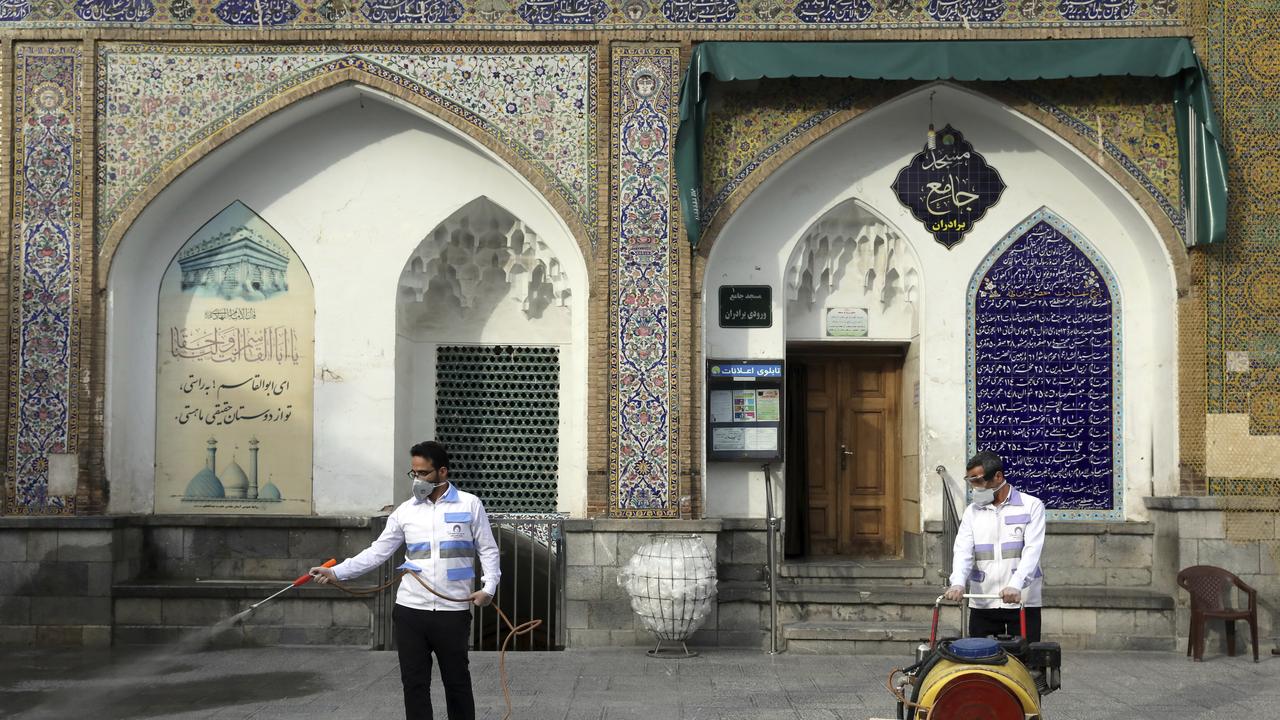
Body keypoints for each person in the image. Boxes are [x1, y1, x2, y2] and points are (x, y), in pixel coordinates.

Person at [310, 440, 500, 720]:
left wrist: (489, 588)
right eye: (414, 473)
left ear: (442, 473)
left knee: (457, 683)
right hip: (411, 612)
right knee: (414, 684)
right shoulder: (405, 512)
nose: (417, 480)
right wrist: (337, 571)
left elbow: (488, 549)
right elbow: (378, 551)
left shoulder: (470, 504)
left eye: (423, 473)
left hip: (452, 612)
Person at [943, 450, 1045, 643]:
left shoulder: (1031, 506)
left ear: (998, 477)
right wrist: (957, 582)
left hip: (1021, 600)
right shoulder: (972, 512)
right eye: (970, 482)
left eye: (979, 481)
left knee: (1024, 662)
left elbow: (1032, 550)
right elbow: (963, 550)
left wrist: (1016, 585)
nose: (975, 488)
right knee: (982, 663)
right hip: (984, 599)